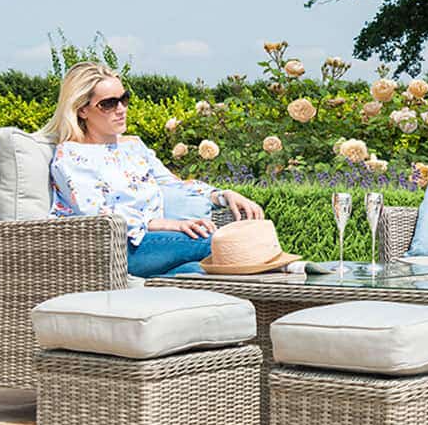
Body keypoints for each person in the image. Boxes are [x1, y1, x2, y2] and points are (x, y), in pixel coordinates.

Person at [42, 62, 263, 277]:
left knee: (200, 273)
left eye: (124, 99)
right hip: (115, 248)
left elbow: (173, 183)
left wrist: (222, 196)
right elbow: (99, 217)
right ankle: (287, 269)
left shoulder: (133, 147)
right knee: (222, 242)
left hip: (152, 244)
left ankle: (166, 284)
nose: (121, 109)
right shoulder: (71, 156)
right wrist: (170, 225)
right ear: (82, 110)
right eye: (108, 104)